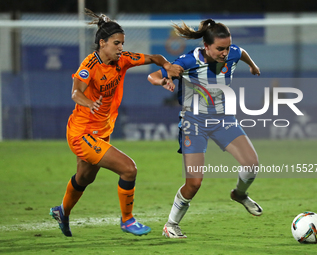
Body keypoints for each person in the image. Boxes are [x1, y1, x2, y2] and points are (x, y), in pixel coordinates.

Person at [49, 8, 183, 237]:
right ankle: (127, 220)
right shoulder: (89, 66)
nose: (121, 47)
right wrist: (89, 103)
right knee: (129, 169)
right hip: (82, 133)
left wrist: (167, 66)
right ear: (102, 43)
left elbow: (153, 58)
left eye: (122, 43)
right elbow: (75, 93)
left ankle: (63, 211)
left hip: (100, 132)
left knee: (84, 178)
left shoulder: (123, 61)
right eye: (116, 43)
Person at [148, 19, 262, 238]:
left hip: (223, 119)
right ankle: (171, 225)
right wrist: (163, 81)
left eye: (227, 47)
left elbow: (241, 52)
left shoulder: (233, 53)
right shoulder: (188, 61)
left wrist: (252, 65)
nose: (225, 53)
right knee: (194, 183)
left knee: (252, 164)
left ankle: (239, 194)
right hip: (194, 123)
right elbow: (153, 75)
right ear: (206, 46)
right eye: (220, 49)